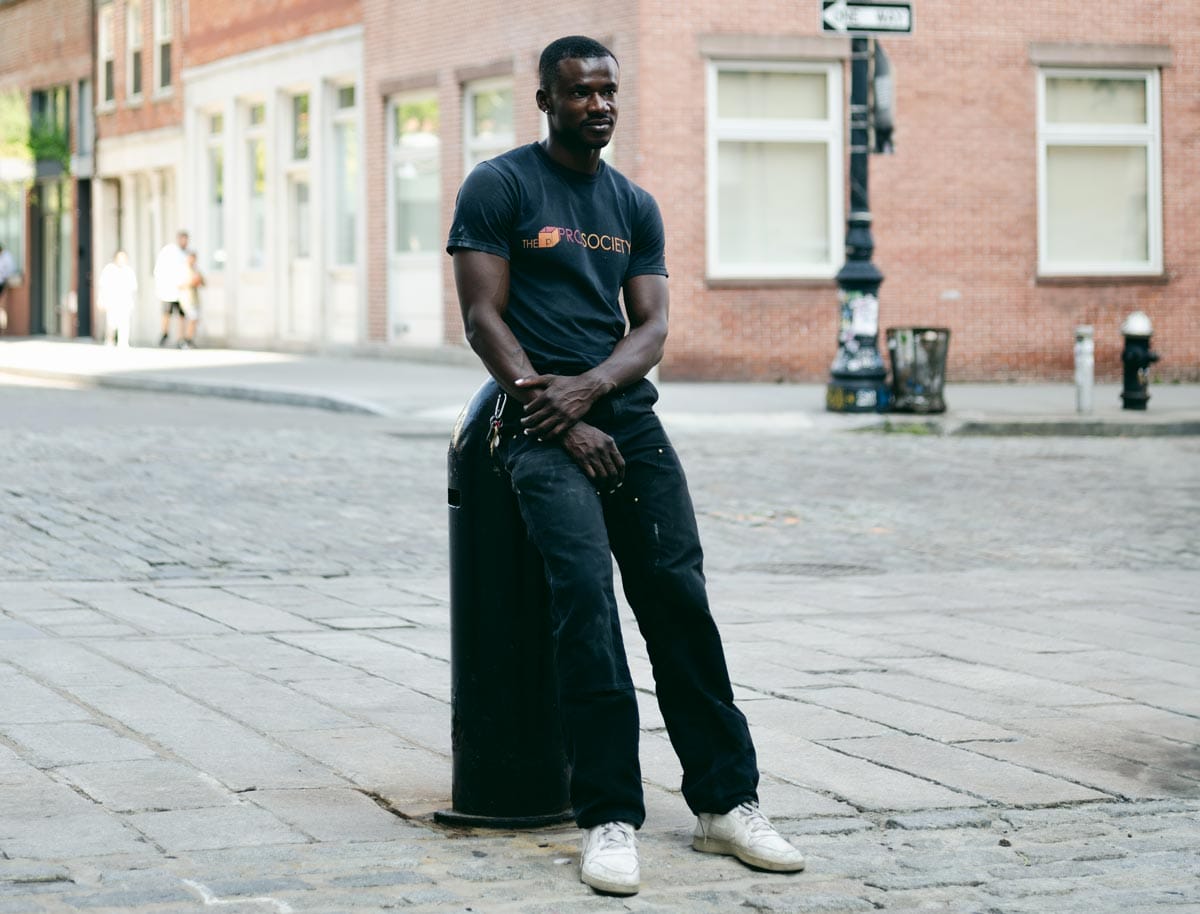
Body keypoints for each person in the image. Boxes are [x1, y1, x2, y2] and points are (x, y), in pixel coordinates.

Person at [447, 35, 805, 897]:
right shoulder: (499, 186)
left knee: (678, 598)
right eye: (579, 93)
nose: (599, 105)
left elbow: (650, 328)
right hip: (532, 428)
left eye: (609, 91)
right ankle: (608, 814)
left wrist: (596, 392)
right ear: (546, 101)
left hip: (627, 423)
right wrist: (561, 416)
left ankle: (727, 805)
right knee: (585, 603)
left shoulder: (633, 204)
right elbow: (482, 318)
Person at [153, 230, 189, 346]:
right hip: (169, 290)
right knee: (167, 312)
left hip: (182, 291)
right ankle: (164, 333)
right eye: (183, 239)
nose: (185, 242)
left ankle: (181, 338)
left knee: (182, 315)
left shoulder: (186, 253)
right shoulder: (170, 251)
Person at [97, 250, 137, 347]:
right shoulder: (109, 270)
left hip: (125, 302)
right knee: (111, 324)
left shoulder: (129, 271)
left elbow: (133, 288)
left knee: (124, 324)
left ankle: (123, 343)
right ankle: (109, 341)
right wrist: (101, 300)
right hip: (112, 302)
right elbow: (103, 287)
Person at [178, 249, 204, 349]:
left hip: (195, 299)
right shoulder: (183, 269)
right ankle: (184, 340)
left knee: (194, 319)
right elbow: (179, 284)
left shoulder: (196, 270)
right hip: (186, 299)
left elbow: (203, 282)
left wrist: (199, 280)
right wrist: (191, 282)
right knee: (190, 319)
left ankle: (189, 339)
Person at [0, 241, 15, 333]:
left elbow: (10, 270)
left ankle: (3, 328)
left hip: (2, 283)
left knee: (2, 306)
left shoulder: (6, 257)